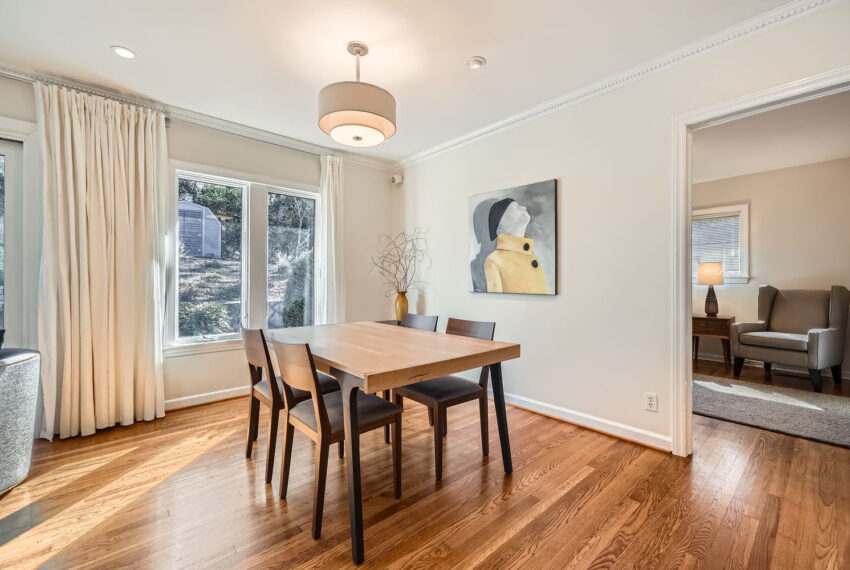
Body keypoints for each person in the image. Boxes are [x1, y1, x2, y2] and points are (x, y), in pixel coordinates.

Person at [483, 198, 548, 294]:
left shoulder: (531, 254)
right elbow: (496, 302)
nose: (523, 207)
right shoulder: (493, 260)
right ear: (500, 228)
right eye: (513, 208)